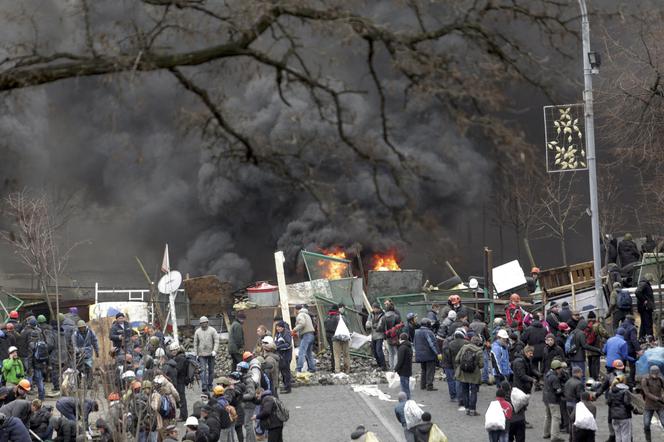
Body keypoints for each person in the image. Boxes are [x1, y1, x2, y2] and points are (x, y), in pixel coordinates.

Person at [455, 335, 483, 416]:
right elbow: (482, 365)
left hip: (463, 373)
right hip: (474, 374)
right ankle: (472, 410)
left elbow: (457, 359)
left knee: (465, 391)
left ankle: (467, 409)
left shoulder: (464, 347)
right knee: (473, 392)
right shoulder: (479, 350)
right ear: (478, 343)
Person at [194, 316, 219, 394]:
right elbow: (195, 343)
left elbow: (216, 341)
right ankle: (204, 386)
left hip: (211, 353)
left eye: (205, 322)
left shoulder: (212, 330)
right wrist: (196, 353)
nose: (203, 324)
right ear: (200, 324)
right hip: (201, 354)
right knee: (203, 370)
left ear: (207, 322)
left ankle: (210, 385)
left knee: (211, 370)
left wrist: (215, 350)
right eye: (202, 323)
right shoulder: (197, 332)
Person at [413, 318, 440, 391]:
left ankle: (422, 385)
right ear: (427, 324)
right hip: (429, 355)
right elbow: (432, 344)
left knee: (423, 370)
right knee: (430, 370)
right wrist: (438, 353)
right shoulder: (429, 332)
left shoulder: (416, 332)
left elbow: (414, 343)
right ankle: (429, 386)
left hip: (420, 355)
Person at [72, 320, 99, 389]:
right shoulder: (75, 334)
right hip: (79, 354)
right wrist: (77, 351)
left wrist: (97, 351)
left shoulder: (90, 332)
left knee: (89, 369)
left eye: (82, 327)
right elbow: (74, 344)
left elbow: (95, 341)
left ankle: (89, 384)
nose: (81, 329)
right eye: (80, 328)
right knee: (78, 369)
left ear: (85, 326)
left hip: (88, 353)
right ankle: (78, 383)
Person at [543, 359, 565, 442]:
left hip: (546, 399)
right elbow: (558, 390)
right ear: (557, 368)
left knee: (548, 416)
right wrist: (563, 391)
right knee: (556, 417)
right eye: (560, 369)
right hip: (553, 400)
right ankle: (555, 436)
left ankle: (546, 433)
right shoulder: (554, 378)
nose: (561, 370)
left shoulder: (547, 374)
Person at [641, 365, 664, 442]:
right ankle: (648, 440)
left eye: (657, 374)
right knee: (646, 424)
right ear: (650, 373)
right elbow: (646, 393)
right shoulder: (645, 380)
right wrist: (656, 398)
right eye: (654, 374)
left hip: (660, 405)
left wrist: (663, 395)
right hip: (649, 405)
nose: (656, 375)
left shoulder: (660, 379)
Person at [607, 374, 632, 442]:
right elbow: (627, 403)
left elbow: (608, 403)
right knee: (625, 435)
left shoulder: (611, 390)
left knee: (618, 435)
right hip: (624, 416)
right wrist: (633, 409)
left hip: (614, 417)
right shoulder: (625, 391)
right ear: (624, 381)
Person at [584, 311, 608, 381]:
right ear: (595, 317)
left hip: (588, 349)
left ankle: (591, 379)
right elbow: (604, 333)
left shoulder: (585, 324)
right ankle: (596, 378)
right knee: (596, 364)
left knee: (590, 364)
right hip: (596, 348)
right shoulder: (597, 325)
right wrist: (609, 337)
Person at [293, 304, 316, 373]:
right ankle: (312, 368)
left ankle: (299, 369)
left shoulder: (300, 315)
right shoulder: (306, 314)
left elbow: (302, 323)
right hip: (311, 335)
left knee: (301, 352)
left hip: (306, 335)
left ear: (296, 309)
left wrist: (294, 330)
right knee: (308, 353)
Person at [563, 366, 584, 434]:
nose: (582, 374)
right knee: (576, 421)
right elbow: (580, 395)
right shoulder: (579, 383)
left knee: (571, 420)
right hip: (575, 404)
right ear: (577, 373)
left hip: (567, 403)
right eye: (581, 373)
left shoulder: (568, 381)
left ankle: (571, 434)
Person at [383, 300, 403, 370]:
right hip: (395, 337)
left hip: (387, 336)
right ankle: (395, 368)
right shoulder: (396, 316)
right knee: (396, 352)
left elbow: (381, 327)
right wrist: (399, 335)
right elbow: (400, 326)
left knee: (391, 353)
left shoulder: (384, 317)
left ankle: (391, 368)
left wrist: (385, 336)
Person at [366, 303, 386, 370]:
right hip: (373, 335)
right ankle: (379, 365)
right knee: (374, 351)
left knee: (379, 350)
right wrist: (368, 325)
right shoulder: (371, 314)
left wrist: (375, 326)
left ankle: (383, 365)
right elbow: (368, 322)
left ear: (378, 308)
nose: (374, 309)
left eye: (375, 308)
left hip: (380, 335)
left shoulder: (382, 315)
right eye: (373, 308)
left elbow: (381, 326)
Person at [274, 321, 292, 394]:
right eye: (277, 327)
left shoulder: (286, 333)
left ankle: (288, 388)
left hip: (286, 356)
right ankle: (285, 386)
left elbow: (288, 344)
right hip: (281, 356)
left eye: (279, 327)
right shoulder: (279, 333)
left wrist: (277, 347)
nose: (277, 328)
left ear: (282, 327)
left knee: (286, 372)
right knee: (283, 372)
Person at [621, 315, 640, 386]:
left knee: (622, 366)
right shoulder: (632, 328)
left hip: (621, 349)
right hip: (630, 350)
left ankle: (621, 381)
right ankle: (631, 382)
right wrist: (638, 349)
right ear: (632, 321)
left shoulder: (620, 326)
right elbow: (634, 340)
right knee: (632, 366)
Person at [635, 273, 656, 338]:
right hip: (645, 308)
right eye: (651, 280)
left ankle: (642, 337)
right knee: (647, 322)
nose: (651, 282)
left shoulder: (644, 284)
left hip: (645, 307)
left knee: (644, 323)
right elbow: (637, 292)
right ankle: (650, 337)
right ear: (649, 279)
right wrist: (644, 300)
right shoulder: (644, 284)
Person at [394, 333, 413, 399]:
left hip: (403, 371)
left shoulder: (402, 348)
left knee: (404, 388)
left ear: (400, 338)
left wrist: (395, 369)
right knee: (406, 387)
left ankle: (406, 401)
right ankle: (408, 400)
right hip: (408, 370)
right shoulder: (409, 346)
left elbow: (400, 361)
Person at [324, 304, 342, 371]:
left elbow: (325, 324)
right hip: (334, 335)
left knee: (333, 351)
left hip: (328, 335)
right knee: (336, 352)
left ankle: (333, 367)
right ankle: (335, 367)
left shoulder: (328, 316)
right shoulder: (337, 317)